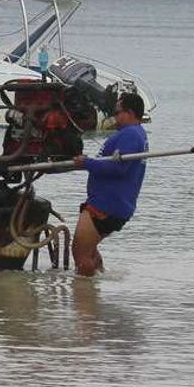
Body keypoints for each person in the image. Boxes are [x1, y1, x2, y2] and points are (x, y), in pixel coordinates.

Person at [72, 91, 148, 277]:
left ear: (129, 113)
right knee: (89, 252)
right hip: (114, 204)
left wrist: (86, 163)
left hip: (106, 205)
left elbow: (118, 169)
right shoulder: (136, 134)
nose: (114, 116)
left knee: (80, 253)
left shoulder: (131, 134)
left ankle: (84, 302)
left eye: (117, 112)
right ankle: (96, 287)